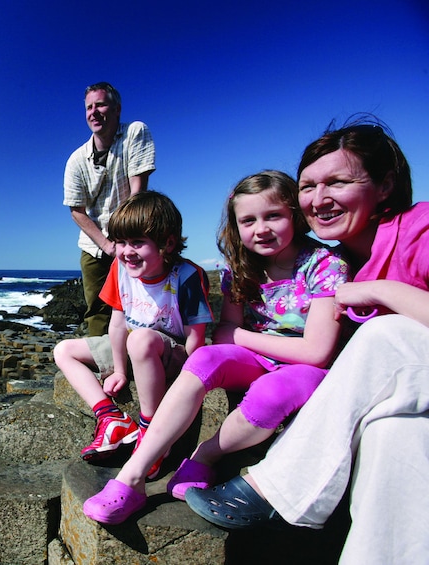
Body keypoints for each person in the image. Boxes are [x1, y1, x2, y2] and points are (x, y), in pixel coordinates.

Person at [183, 119, 429, 564]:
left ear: (386, 184)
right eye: (308, 186)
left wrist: (382, 292)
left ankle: (272, 486)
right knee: (390, 435)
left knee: (384, 332)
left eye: (338, 181)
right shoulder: (336, 260)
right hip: (412, 401)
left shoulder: (420, 229)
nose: (319, 198)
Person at [82, 171, 350, 525]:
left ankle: (204, 456)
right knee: (206, 357)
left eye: (273, 216)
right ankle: (132, 477)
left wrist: (239, 337)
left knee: (273, 392)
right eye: (248, 220)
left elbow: (316, 352)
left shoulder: (326, 266)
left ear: (296, 215)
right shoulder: (240, 268)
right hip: (254, 357)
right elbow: (222, 333)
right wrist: (236, 337)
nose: (261, 228)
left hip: (302, 369)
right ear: (236, 226)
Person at [53, 191, 213, 475]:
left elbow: (195, 337)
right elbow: (116, 323)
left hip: (169, 352)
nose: (127, 251)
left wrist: (188, 384)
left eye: (138, 242)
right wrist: (119, 371)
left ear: (168, 243)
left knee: (140, 339)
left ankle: (151, 432)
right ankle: (110, 418)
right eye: (121, 242)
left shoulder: (187, 276)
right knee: (63, 350)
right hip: (130, 346)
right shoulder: (120, 268)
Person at [63, 82, 156, 336]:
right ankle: (104, 368)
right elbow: (77, 211)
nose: (94, 112)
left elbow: (138, 191)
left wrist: (125, 242)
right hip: (94, 245)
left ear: (117, 109)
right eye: (89, 107)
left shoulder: (135, 133)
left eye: (101, 104)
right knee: (97, 310)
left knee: (142, 303)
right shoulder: (76, 160)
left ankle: (142, 358)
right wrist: (107, 245)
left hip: (133, 235)